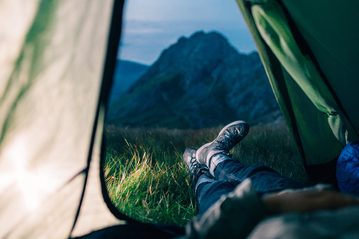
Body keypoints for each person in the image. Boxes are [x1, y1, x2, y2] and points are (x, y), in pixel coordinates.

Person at [182, 120, 359, 239]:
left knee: (215, 195)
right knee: (260, 177)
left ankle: (198, 171)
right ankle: (214, 156)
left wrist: (264, 205)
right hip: (310, 211)